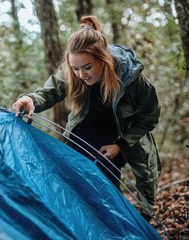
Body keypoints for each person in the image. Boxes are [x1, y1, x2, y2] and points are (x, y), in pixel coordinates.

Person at [12, 15, 161, 221]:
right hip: (84, 135)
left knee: (111, 193)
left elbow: (150, 114)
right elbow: (50, 91)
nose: (81, 74)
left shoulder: (131, 76)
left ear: (104, 59)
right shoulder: (74, 72)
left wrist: (121, 144)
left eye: (87, 67)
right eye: (75, 68)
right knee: (79, 190)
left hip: (120, 137)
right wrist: (30, 99)